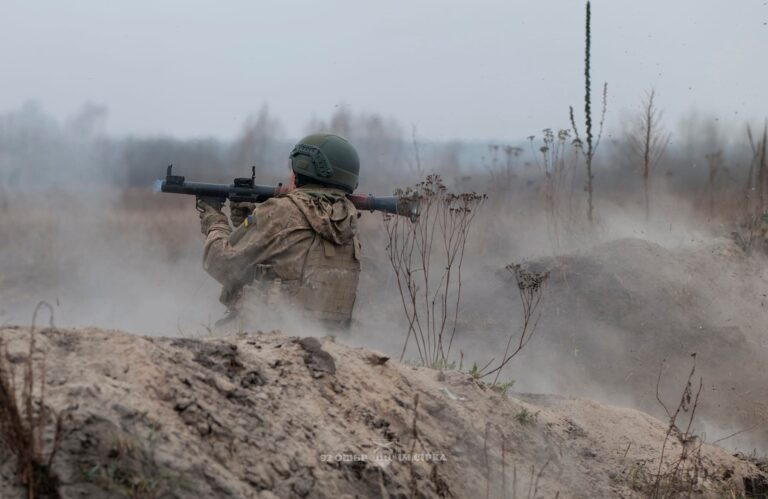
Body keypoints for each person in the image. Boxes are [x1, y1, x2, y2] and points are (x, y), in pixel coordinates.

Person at [195, 133, 362, 331]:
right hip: (327, 339)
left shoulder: (281, 211)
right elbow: (294, 260)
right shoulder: (346, 220)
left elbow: (221, 263)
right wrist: (249, 221)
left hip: (266, 334)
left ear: (302, 169)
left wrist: (214, 220)